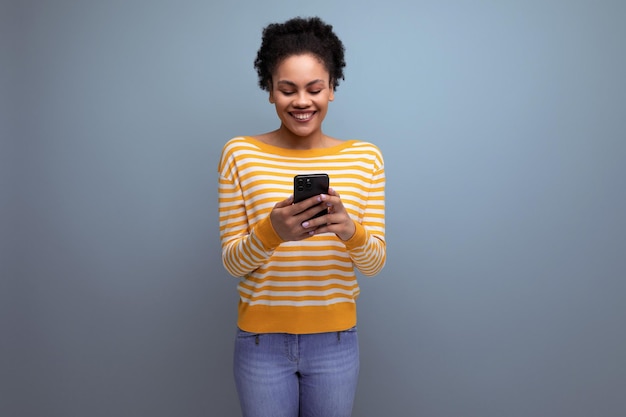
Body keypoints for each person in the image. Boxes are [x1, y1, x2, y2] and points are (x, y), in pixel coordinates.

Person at [217, 16, 386, 417]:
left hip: (336, 342)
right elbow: (231, 263)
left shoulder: (365, 158)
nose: (302, 101)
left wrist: (348, 230)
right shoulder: (239, 154)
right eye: (287, 89)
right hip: (261, 344)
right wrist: (271, 232)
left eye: (315, 88)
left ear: (332, 88)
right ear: (270, 91)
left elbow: (375, 263)